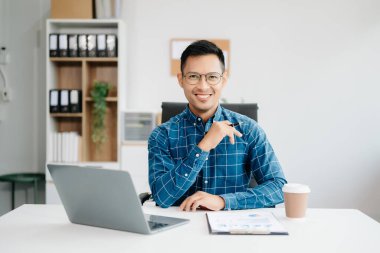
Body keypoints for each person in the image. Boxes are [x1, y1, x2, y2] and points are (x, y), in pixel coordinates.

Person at [148, 40, 286, 211]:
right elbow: (162, 197)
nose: (203, 86)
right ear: (181, 80)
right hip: (180, 228)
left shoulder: (248, 130)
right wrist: (204, 146)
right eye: (193, 76)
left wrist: (223, 201)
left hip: (233, 230)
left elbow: (278, 187)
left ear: (223, 80)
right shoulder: (162, 135)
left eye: (212, 77)